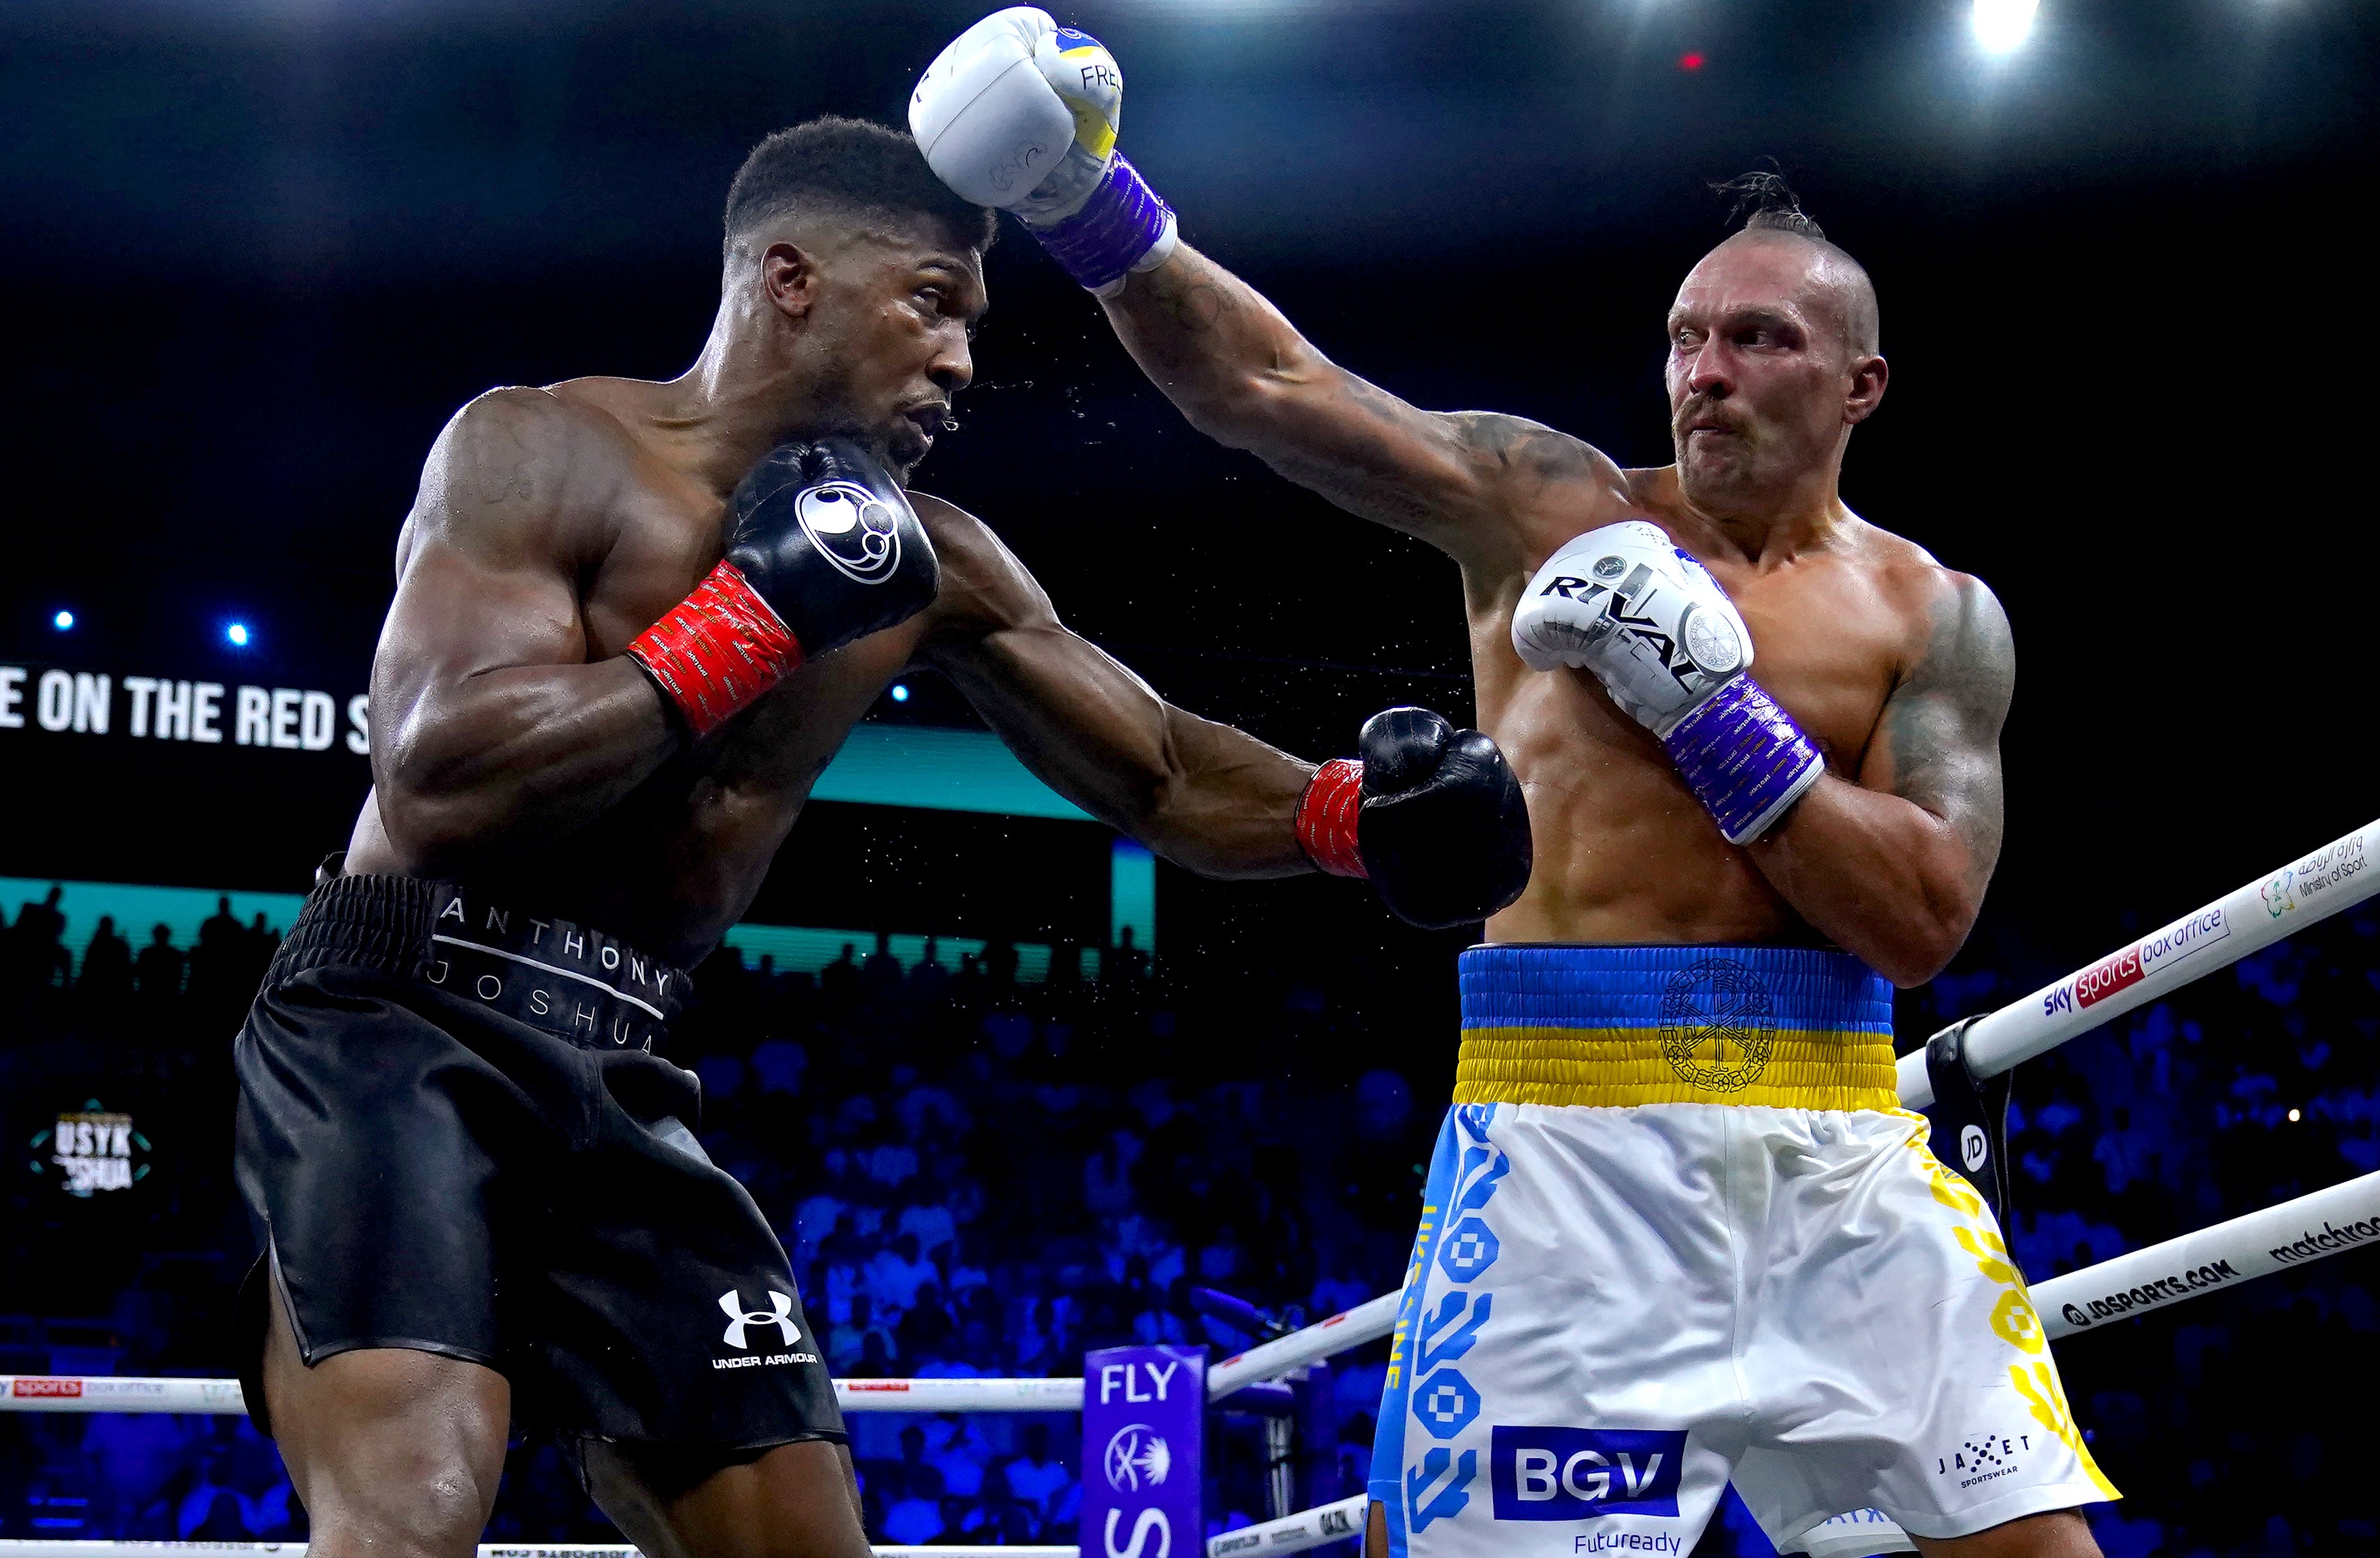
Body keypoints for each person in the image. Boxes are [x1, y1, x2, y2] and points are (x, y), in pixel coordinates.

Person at [231, 115, 1533, 1558]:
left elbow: (1157, 771)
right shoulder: (541, 448)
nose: (963, 361)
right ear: (789, 278)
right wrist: (753, 620)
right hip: (402, 1021)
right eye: (931, 303)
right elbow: (438, 780)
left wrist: (1350, 817)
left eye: (972, 322)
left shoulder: (936, 557)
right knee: (411, 1514)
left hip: (619, 1059)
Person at [910, 19, 2112, 1557]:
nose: (1704, 372)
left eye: (1757, 340)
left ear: (1860, 382)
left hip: (1843, 1154)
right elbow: (1270, 389)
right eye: (1685, 336)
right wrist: (1084, 204)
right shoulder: (1552, 509)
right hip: (1570, 1158)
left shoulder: (1934, 613)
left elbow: (1924, 918)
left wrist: (1710, 714)